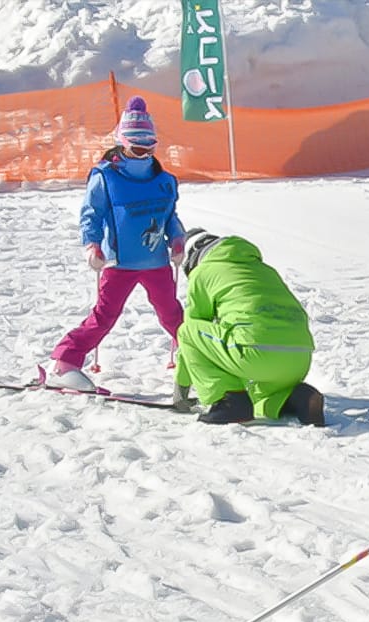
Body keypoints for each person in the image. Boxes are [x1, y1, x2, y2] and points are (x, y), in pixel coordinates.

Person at [46, 97, 186, 390]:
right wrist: (92, 245)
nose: (144, 154)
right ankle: (65, 361)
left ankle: (196, 355)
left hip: (156, 261)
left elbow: (169, 215)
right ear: (123, 144)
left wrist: (176, 238)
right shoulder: (106, 177)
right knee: (104, 316)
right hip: (119, 263)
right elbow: (91, 215)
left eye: (150, 147)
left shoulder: (164, 180)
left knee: (172, 313)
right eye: (137, 148)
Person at [174, 229, 323, 425]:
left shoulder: (203, 273)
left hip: (256, 351)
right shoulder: (263, 269)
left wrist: (181, 390)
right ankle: (297, 398)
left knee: (186, 331)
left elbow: (193, 332)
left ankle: (228, 403)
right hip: (299, 358)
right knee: (260, 395)